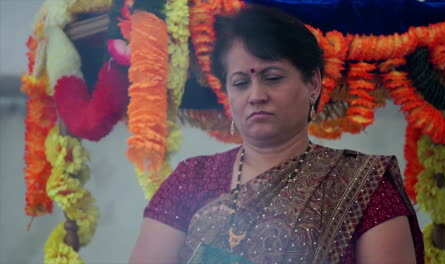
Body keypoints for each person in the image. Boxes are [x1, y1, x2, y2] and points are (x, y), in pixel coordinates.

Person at [130, 5, 424, 264]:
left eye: (273, 78)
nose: (256, 95)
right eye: (241, 82)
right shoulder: (191, 178)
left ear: (312, 83)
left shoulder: (362, 185)